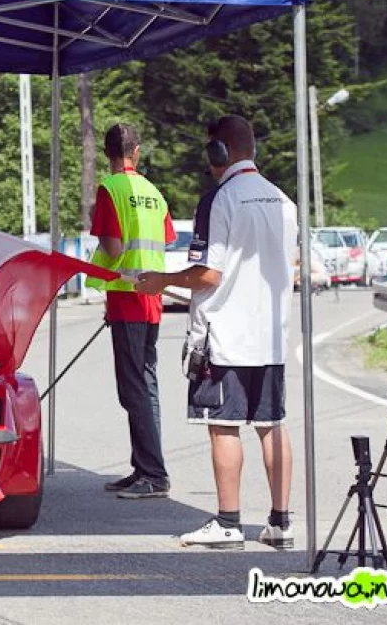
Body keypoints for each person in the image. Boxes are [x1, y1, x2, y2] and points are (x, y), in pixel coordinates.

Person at [136, 115, 298, 550]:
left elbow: (209, 274)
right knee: (271, 424)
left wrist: (161, 280)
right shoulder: (283, 201)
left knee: (223, 426)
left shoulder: (219, 199)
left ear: (219, 152)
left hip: (226, 334)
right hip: (273, 335)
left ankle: (228, 521)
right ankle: (280, 522)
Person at [85, 123, 175, 500]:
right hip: (152, 298)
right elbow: (166, 240)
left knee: (134, 388)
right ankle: (146, 467)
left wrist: (98, 270)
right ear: (135, 151)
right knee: (147, 384)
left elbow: (113, 244)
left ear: (108, 153)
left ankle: (152, 473)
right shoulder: (153, 192)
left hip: (126, 296)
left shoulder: (110, 189)